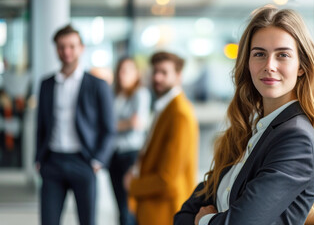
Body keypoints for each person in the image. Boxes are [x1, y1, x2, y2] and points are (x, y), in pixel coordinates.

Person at [174, 7, 314, 225]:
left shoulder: (297, 138)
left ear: (301, 66)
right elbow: (186, 212)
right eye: (259, 54)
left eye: (283, 55)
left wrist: (203, 221)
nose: (269, 66)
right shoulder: (251, 130)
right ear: (248, 63)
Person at [36, 24, 115, 225]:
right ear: (56, 49)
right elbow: (41, 124)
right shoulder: (47, 83)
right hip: (52, 161)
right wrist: (39, 158)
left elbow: (109, 129)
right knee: (48, 221)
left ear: (81, 48)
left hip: (84, 161)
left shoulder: (97, 85)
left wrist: (97, 161)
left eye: (71, 46)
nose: (66, 52)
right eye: (61, 47)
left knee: (87, 221)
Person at [124, 51, 199, 225]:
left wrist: (133, 185)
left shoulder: (179, 114)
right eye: (155, 72)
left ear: (178, 76)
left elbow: (167, 180)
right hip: (153, 209)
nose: (157, 78)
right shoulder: (165, 107)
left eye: (164, 73)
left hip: (165, 212)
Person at [109, 57, 151, 225]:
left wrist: (112, 125)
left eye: (127, 71)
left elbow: (137, 123)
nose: (122, 75)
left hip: (131, 155)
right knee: (120, 207)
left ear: (136, 73)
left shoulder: (140, 93)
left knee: (129, 207)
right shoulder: (115, 94)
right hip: (114, 155)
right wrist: (123, 123)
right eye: (120, 70)